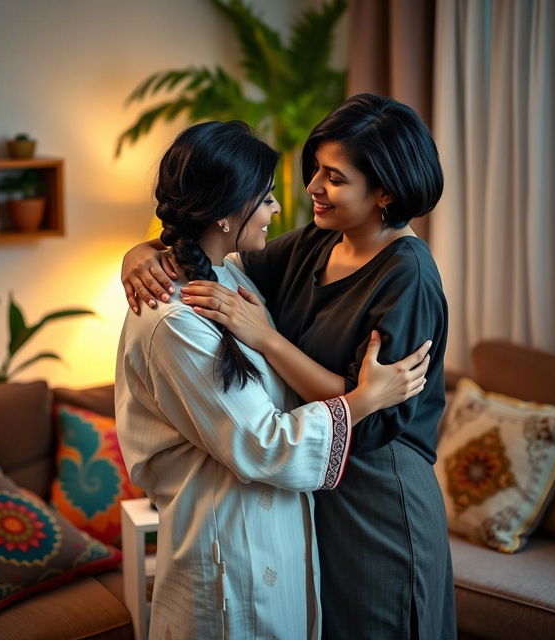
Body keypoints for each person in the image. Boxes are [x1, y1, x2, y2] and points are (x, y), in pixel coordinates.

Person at [121, 94, 457, 640]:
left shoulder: (408, 276)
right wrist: (139, 253)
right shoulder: (318, 244)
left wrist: (269, 341)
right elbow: (210, 251)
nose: (311, 191)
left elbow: (374, 409)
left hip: (377, 494)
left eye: (333, 177)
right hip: (313, 489)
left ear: (385, 192)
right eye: (314, 172)